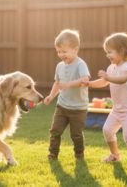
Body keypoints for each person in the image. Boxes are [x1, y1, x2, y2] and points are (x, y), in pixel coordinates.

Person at [84, 32, 127, 165]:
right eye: (106, 52)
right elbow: (104, 82)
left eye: (110, 52)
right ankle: (115, 155)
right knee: (107, 130)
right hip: (117, 109)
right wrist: (91, 84)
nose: (107, 55)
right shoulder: (111, 67)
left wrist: (108, 77)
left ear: (121, 50)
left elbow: (122, 80)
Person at [44, 29, 91, 160]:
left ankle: (79, 154)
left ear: (75, 50)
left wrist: (69, 84)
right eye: (58, 51)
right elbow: (57, 83)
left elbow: (85, 80)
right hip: (62, 106)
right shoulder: (59, 66)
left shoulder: (80, 64)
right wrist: (51, 96)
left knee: (76, 134)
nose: (60, 54)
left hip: (78, 108)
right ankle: (52, 154)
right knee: (55, 131)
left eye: (64, 51)